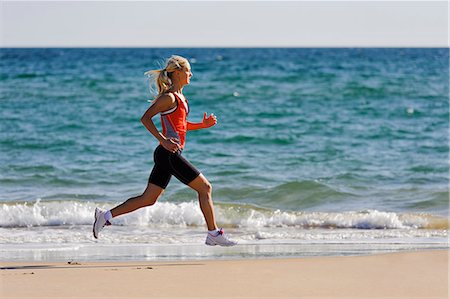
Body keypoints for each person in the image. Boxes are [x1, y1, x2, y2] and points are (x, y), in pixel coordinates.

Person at [93, 55, 236, 246]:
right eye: (188, 71)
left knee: (148, 199)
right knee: (205, 187)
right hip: (168, 154)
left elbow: (181, 125)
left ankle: (105, 215)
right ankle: (213, 233)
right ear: (177, 73)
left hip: (168, 154)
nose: (191, 74)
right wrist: (163, 141)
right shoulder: (168, 98)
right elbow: (145, 118)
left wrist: (202, 125)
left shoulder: (181, 98)